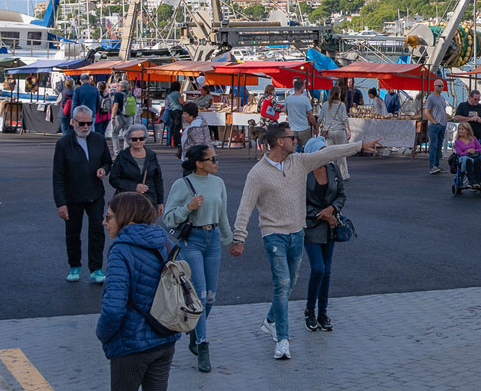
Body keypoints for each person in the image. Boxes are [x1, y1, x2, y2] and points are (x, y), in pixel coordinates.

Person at [230, 123, 380, 359]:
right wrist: (239, 237)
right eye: (291, 137)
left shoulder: (298, 162)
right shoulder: (257, 174)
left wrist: (360, 145)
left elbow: (328, 153)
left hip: (297, 232)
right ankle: (282, 340)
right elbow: (245, 207)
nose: (296, 140)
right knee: (282, 284)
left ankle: (271, 320)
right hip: (273, 235)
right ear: (280, 141)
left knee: (289, 283)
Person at [96, 192, 179, 391]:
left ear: (126, 217)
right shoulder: (165, 242)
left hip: (131, 344)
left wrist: (103, 334)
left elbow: (114, 309)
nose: (104, 223)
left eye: (108, 217)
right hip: (165, 337)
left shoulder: (121, 250)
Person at [164, 144, 233, 373]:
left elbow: (222, 215)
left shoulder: (218, 183)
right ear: (198, 163)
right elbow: (168, 219)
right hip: (191, 241)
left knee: (211, 297)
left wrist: (231, 240)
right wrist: (188, 208)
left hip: (212, 239)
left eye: (216, 158)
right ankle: (203, 345)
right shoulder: (181, 185)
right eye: (211, 159)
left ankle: (195, 330)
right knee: (200, 295)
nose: (216, 162)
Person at [53, 105, 113, 282]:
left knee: (97, 230)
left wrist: (103, 169)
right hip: (72, 196)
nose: (86, 127)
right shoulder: (63, 144)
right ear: (72, 122)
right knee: (73, 232)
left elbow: (108, 162)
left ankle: (96, 268)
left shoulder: (98, 139)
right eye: (82, 123)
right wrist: (60, 203)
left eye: (89, 123)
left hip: (95, 194)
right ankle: (74, 266)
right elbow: (57, 176)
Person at [301, 137, 346, 333]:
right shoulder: (302, 173)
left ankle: (323, 313)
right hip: (311, 225)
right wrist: (323, 215)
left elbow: (342, 194)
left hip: (330, 225)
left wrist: (332, 209)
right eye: (321, 151)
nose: (325, 155)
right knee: (318, 269)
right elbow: (298, 202)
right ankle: (310, 310)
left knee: (327, 271)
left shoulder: (333, 169)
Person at [109, 124, 164, 216]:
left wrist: (160, 202)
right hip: (127, 202)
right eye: (134, 139)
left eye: (141, 138)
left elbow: (158, 180)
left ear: (145, 138)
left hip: (149, 201)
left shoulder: (151, 155)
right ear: (129, 140)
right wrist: (133, 187)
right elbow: (113, 179)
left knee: (148, 229)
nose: (138, 141)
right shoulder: (122, 156)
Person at [319, 86, 351, 180]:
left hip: (328, 132)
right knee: (341, 153)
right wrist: (349, 131)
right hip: (340, 130)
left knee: (330, 154)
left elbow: (320, 118)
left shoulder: (325, 105)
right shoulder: (341, 105)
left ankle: (331, 174)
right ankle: (344, 174)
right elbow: (344, 119)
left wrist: (317, 128)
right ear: (339, 94)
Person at [423, 79, 449, 174]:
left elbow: (444, 111)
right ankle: (432, 166)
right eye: (439, 86)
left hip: (442, 124)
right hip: (435, 125)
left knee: (438, 146)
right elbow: (426, 111)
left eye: (442, 86)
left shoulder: (442, 98)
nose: (441, 87)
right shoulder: (430, 98)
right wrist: (433, 121)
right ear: (434, 86)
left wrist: (445, 121)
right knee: (433, 145)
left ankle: (436, 165)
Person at [284, 78, 316, 150]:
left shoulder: (288, 99)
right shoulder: (305, 99)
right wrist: (315, 125)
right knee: (306, 148)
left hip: (292, 128)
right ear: (302, 87)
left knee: (292, 149)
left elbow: (286, 111)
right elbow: (311, 116)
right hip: (304, 128)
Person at [452, 123, 481, 189]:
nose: (460, 131)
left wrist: (474, 150)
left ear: (467, 131)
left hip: (474, 157)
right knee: (467, 160)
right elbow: (459, 153)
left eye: (462, 129)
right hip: (463, 158)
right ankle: (472, 182)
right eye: (459, 129)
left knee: (477, 161)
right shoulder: (457, 141)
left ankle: (478, 182)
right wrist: (467, 151)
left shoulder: (473, 139)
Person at [109, 80, 133, 156]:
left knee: (115, 133)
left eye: (118, 86)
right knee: (126, 135)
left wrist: (112, 117)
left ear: (121, 87)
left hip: (119, 117)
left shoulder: (118, 95)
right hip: (129, 117)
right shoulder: (131, 95)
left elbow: (115, 106)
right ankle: (126, 152)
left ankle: (117, 152)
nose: (117, 87)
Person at [165, 82, 184, 153]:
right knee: (177, 126)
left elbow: (168, 103)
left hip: (171, 111)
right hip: (178, 110)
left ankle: (170, 141)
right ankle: (177, 142)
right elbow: (181, 102)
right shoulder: (177, 93)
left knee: (172, 126)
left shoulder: (169, 94)